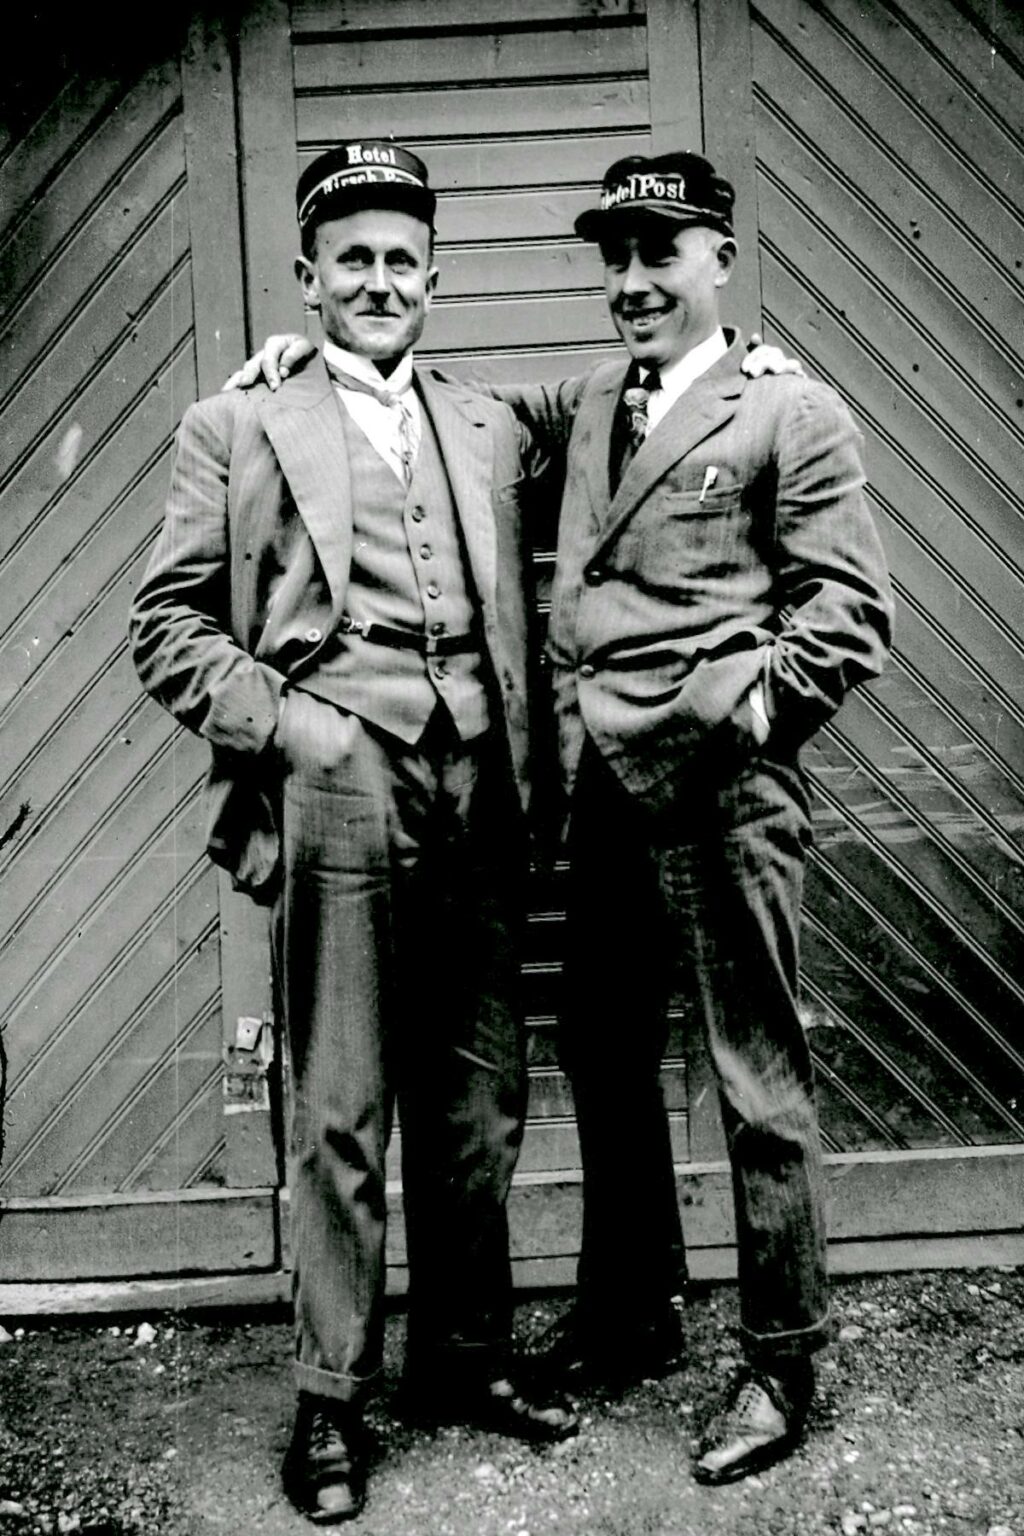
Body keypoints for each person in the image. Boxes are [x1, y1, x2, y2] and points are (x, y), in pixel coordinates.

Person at [229, 149, 886, 1485]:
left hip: (724, 797)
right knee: (601, 1057)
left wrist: (743, 716)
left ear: (720, 262)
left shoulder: (790, 410)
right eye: (617, 257)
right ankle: (633, 1308)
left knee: (756, 1081)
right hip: (601, 803)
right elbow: (415, 401)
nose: (635, 281)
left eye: (663, 253)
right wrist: (290, 361)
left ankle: (782, 1362)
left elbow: (850, 615)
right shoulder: (587, 403)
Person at [129, 140, 579, 1527]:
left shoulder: (489, 421)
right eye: (355, 260)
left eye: (403, 261)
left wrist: (742, 358)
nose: (381, 282)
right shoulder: (238, 423)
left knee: (479, 1095)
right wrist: (296, 729)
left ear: (434, 277)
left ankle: (465, 1357)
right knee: (338, 1104)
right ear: (310, 275)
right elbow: (165, 625)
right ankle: (329, 1398)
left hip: (481, 785)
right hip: (338, 780)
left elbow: (633, 407)